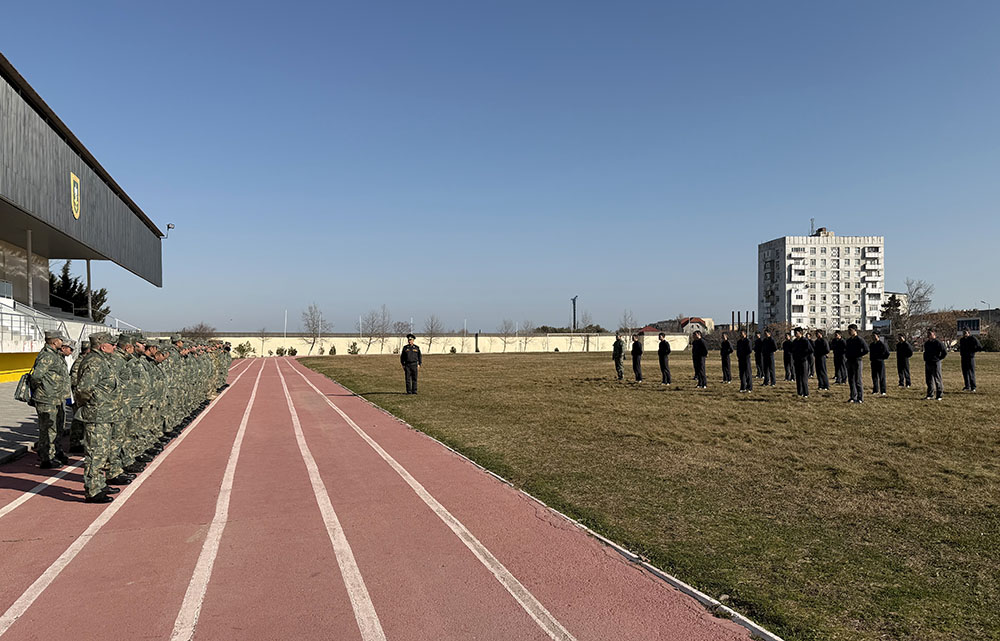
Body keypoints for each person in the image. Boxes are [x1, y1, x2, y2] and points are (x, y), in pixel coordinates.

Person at [74, 332, 121, 503]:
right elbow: (83, 389)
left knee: (102, 452)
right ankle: (92, 490)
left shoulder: (102, 360)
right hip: (97, 415)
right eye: (112, 344)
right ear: (102, 346)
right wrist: (91, 405)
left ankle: (99, 484)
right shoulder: (94, 362)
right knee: (95, 454)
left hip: (104, 414)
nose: (114, 347)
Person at [30, 331, 71, 469]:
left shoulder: (55, 355)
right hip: (47, 398)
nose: (63, 342)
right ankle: (46, 457)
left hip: (56, 397)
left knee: (57, 427)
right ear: (54, 341)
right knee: (48, 429)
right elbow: (36, 376)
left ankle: (55, 452)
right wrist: (45, 389)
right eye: (61, 340)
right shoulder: (47, 356)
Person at [69, 339, 91, 453]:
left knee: (81, 420)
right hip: (78, 395)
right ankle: (75, 442)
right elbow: (73, 380)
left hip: (81, 394)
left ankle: (79, 441)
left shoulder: (85, 361)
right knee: (77, 420)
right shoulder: (79, 362)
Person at [845, 324, 869, 403]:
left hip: (857, 361)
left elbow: (866, 349)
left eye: (850, 330)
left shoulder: (859, 339)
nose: (849, 332)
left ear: (855, 331)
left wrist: (858, 355)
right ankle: (852, 396)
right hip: (849, 361)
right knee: (851, 380)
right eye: (848, 330)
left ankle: (860, 397)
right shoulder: (848, 341)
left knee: (858, 380)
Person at [923, 328, 947, 400]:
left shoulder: (938, 343)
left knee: (937, 379)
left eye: (930, 333)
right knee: (929, 379)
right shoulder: (927, 343)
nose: (928, 335)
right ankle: (930, 394)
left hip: (936, 362)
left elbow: (944, 352)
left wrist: (939, 358)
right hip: (928, 362)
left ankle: (939, 395)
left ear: (934, 334)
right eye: (928, 333)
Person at [791, 327, 814, 398]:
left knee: (804, 377)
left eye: (796, 332)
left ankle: (805, 393)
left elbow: (810, 350)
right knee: (798, 377)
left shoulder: (805, 341)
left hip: (804, 361)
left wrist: (804, 356)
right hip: (796, 361)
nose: (795, 334)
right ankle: (799, 392)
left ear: (800, 333)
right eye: (794, 332)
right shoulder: (795, 341)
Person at [869, 331, 889, 396]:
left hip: (880, 362)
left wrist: (881, 358)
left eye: (874, 336)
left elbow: (887, 353)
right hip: (873, 362)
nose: (873, 337)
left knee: (881, 376)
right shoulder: (871, 345)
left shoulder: (882, 344)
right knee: (874, 376)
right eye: (872, 336)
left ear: (878, 336)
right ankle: (875, 390)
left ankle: (883, 391)